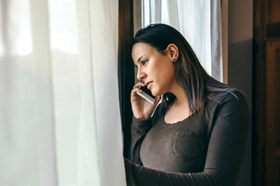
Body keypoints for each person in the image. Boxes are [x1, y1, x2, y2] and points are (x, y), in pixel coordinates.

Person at [124, 23, 250, 186]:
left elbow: (218, 181)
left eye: (144, 62)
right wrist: (141, 120)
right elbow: (137, 172)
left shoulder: (227, 103)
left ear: (172, 53)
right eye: (137, 67)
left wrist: (129, 172)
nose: (140, 75)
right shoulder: (161, 109)